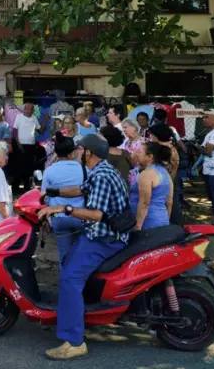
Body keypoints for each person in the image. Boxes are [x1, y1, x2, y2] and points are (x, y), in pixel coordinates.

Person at [38, 134, 129, 360]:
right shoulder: (100, 171)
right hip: (97, 234)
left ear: (88, 152)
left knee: (69, 278)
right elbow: (80, 190)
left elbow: (96, 214)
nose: (78, 153)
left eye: (80, 150)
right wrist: (52, 193)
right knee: (69, 265)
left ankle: (74, 341)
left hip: (104, 237)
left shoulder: (102, 177)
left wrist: (61, 209)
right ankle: (75, 316)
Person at [41, 132, 85, 269]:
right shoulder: (84, 170)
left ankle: (65, 284)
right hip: (81, 217)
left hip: (59, 218)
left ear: (57, 153)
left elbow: (44, 197)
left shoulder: (49, 171)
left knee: (64, 256)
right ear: (73, 153)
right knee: (82, 255)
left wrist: (45, 221)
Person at [131, 141, 173, 230]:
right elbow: (169, 201)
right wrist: (166, 220)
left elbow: (144, 203)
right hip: (162, 219)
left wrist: (137, 227)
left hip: (147, 222)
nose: (136, 154)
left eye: (139, 152)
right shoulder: (165, 172)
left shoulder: (147, 174)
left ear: (150, 157)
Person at [148, 124, 181, 225]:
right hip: (168, 183)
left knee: (170, 209)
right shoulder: (168, 147)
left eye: (151, 135)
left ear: (157, 137)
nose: (150, 138)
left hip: (166, 184)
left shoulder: (164, 150)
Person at [13, 103, 40, 191]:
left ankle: (27, 187)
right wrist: (18, 143)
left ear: (33, 110)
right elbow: (14, 130)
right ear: (24, 109)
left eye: (31, 109)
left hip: (31, 146)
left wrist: (46, 119)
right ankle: (15, 187)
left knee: (29, 167)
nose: (29, 111)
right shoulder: (19, 117)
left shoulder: (34, 118)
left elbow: (40, 129)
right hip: (20, 145)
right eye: (27, 109)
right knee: (19, 167)